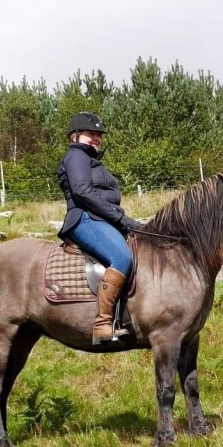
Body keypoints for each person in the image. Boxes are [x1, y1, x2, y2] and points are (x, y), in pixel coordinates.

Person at [56, 112, 144, 344]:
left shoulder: (92, 160)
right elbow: (83, 192)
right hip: (85, 218)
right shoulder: (76, 156)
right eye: (91, 134)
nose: (96, 138)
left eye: (99, 135)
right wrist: (122, 219)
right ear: (75, 136)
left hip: (102, 218)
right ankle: (102, 324)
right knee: (122, 257)